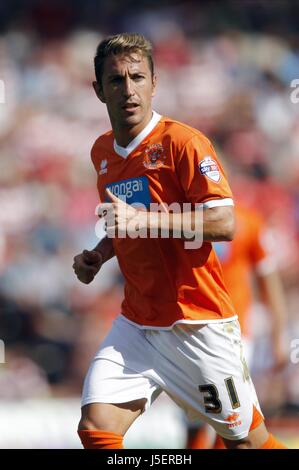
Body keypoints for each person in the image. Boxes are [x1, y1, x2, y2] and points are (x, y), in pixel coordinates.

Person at [72, 32, 286, 449]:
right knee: (96, 427)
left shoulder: (183, 143)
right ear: (99, 90)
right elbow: (125, 225)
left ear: (155, 83)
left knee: (246, 441)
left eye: (137, 77)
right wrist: (99, 255)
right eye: (116, 80)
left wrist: (144, 220)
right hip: (137, 323)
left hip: (197, 323)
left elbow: (224, 222)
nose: (128, 90)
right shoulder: (102, 152)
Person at [187, 203, 289, 449]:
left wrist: (279, 336)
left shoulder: (248, 222)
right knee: (196, 419)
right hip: (188, 331)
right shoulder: (178, 221)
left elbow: (269, 280)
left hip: (233, 333)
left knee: (231, 419)